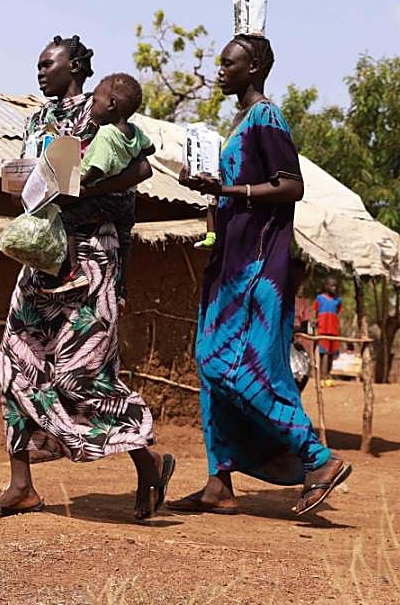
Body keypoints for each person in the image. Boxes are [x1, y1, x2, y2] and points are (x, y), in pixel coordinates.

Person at [0, 36, 175, 522]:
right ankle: (21, 485)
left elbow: (139, 173)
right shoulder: (38, 120)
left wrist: (81, 187)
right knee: (15, 359)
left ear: (76, 66)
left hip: (91, 256)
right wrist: (20, 181)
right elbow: (30, 177)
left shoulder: (104, 108)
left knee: (82, 375)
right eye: (38, 64)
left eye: (48, 64)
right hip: (43, 255)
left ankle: (147, 460)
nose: (40, 72)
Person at [172, 33, 351, 517]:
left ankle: (318, 458)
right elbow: (236, 192)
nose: (219, 70)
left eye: (229, 64)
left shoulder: (267, 118)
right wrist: (212, 190)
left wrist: (230, 188)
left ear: (253, 69)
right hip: (228, 262)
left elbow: (291, 185)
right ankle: (218, 481)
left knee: (228, 363)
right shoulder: (237, 123)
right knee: (208, 364)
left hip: (256, 267)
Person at [46, 73, 154, 297]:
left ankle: (74, 271)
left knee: (66, 219)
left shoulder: (105, 134)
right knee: (125, 242)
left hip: (105, 199)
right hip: (127, 199)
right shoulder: (134, 131)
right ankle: (122, 289)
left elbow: (98, 168)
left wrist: (80, 184)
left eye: (95, 102)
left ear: (112, 104)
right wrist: (128, 156)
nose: (91, 107)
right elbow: (149, 149)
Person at [315, 278, 343, 379]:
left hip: (333, 329)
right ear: (326, 286)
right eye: (332, 286)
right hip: (323, 329)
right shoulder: (319, 298)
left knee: (332, 353)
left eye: (335, 286)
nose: (334, 288)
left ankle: (328, 374)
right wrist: (316, 322)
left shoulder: (338, 300)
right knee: (324, 352)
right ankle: (323, 376)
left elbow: (338, 311)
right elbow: (317, 312)